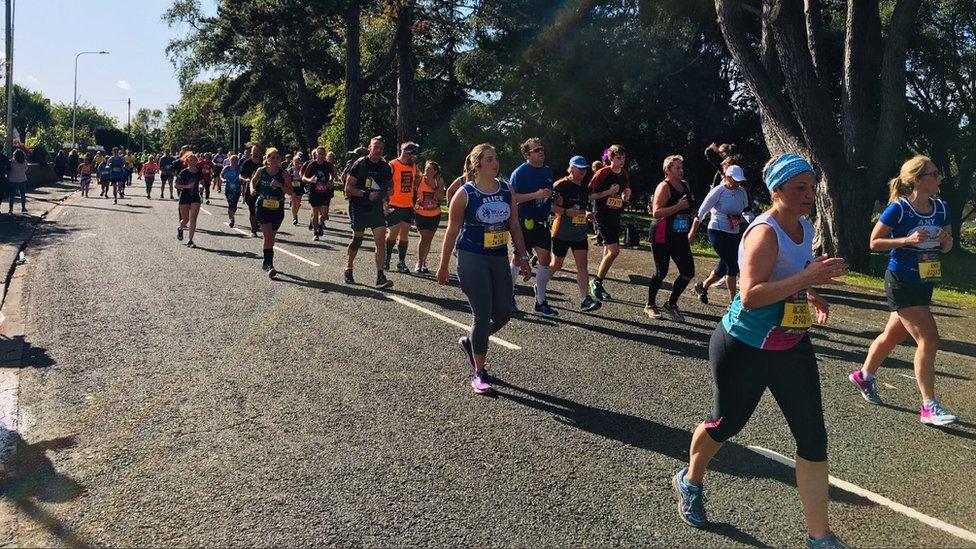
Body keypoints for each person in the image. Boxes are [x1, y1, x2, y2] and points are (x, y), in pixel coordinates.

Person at [673, 153, 849, 549]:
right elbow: (750, 295)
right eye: (800, 187)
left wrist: (812, 291)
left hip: (791, 345)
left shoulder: (803, 226)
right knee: (725, 424)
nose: (809, 194)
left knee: (813, 438)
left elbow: (790, 275)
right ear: (777, 191)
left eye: (811, 186)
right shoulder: (763, 232)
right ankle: (690, 479)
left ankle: (820, 537)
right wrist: (807, 276)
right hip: (743, 346)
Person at [849, 155, 957, 425]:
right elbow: (874, 242)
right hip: (900, 280)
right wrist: (906, 239)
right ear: (918, 179)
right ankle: (928, 406)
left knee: (891, 335)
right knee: (929, 339)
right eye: (934, 174)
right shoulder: (899, 209)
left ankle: (864, 376)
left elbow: (948, 247)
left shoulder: (941, 208)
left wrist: (945, 241)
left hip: (925, 282)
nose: (939, 178)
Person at [437, 143, 530, 395]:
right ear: (477, 165)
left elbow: (514, 225)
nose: (495, 163)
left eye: (496, 158)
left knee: (503, 313)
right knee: (482, 312)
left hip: (498, 257)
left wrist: (523, 257)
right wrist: (443, 264)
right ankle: (479, 372)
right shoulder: (465, 193)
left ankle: (472, 341)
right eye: (489, 159)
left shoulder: (506, 191)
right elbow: (452, 230)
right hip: (471, 257)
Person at [689, 164, 750, 305]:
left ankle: (702, 286)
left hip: (733, 232)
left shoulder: (742, 192)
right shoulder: (718, 191)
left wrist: (754, 223)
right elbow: (701, 212)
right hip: (717, 231)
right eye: (735, 180)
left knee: (723, 268)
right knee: (732, 265)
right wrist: (692, 232)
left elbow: (747, 211)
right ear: (727, 177)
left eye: (740, 181)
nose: (738, 183)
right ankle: (733, 302)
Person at [509, 137, 557, 316]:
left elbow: (548, 193)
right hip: (523, 223)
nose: (541, 152)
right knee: (517, 259)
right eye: (537, 150)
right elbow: (513, 198)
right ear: (527, 154)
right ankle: (508, 296)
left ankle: (541, 300)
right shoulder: (520, 173)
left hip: (542, 223)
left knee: (545, 260)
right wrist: (535, 194)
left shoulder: (547, 171)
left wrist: (552, 197)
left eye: (542, 148)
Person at [645, 155, 696, 322]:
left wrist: (692, 213)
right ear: (668, 170)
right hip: (662, 234)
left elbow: (689, 207)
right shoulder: (664, 186)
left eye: (682, 167)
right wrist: (678, 207)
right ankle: (650, 304)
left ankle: (671, 303)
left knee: (688, 272)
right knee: (661, 272)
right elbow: (656, 213)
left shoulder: (685, 185)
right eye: (677, 168)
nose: (681, 171)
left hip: (680, 235)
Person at [550, 156, 601, 312]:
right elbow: (549, 207)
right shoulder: (560, 185)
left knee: (582, 266)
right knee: (557, 264)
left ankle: (585, 299)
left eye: (584, 168)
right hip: (562, 233)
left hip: (579, 234)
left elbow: (581, 207)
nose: (582, 171)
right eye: (579, 168)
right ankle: (540, 286)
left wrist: (587, 214)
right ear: (570, 168)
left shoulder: (584, 187)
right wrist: (565, 211)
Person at [343, 137, 394, 288]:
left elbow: (389, 186)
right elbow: (348, 188)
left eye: (381, 148)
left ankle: (380, 277)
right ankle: (348, 267)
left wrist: (389, 192)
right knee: (357, 240)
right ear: (370, 147)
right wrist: (365, 195)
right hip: (359, 207)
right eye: (375, 147)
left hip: (376, 208)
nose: (378, 150)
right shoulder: (360, 164)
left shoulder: (385, 167)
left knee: (380, 241)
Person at [588, 144, 631, 300]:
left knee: (608, 251)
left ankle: (600, 284)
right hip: (602, 215)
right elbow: (590, 196)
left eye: (624, 157)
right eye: (618, 157)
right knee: (614, 251)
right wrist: (608, 192)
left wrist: (626, 194)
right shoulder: (602, 173)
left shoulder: (624, 174)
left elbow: (624, 195)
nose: (622, 161)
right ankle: (596, 281)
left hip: (615, 214)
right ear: (611, 158)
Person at [249, 147, 293, 278]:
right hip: (262, 207)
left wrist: (280, 185)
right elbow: (253, 181)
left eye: (277, 157)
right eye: (271, 157)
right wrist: (252, 189)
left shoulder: (283, 173)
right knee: (267, 236)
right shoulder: (261, 171)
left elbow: (290, 192)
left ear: (280, 159)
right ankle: (269, 265)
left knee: (271, 238)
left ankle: (265, 261)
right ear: (267, 159)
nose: (274, 160)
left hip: (277, 208)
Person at [384, 142, 421, 273]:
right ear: (407, 153)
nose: (415, 158)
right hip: (394, 204)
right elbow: (385, 181)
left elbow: (418, 178)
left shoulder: (414, 166)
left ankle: (401, 262)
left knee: (404, 233)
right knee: (393, 233)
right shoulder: (392, 165)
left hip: (408, 205)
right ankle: (386, 258)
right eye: (413, 155)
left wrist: (418, 181)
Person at [413, 160, 444, 273]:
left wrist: (434, 187)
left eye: (430, 169)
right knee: (424, 237)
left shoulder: (439, 181)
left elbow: (441, 197)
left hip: (435, 213)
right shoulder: (419, 179)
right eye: (426, 168)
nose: (427, 171)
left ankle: (424, 261)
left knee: (429, 239)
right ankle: (420, 262)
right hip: (421, 212)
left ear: (435, 171)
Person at [302, 147, 334, 241]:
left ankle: (320, 224)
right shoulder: (312, 164)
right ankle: (316, 233)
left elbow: (333, 175)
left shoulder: (328, 165)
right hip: (314, 191)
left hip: (325, 191)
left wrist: (330, 181)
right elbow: (304, 177)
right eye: (319, 154)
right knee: (315, 212)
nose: (320, 156)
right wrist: (310, 180)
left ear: (325, 155)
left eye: (322, 154)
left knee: (324, 214)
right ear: (316, 154)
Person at [175, 154, 204, 248]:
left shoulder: (199, 172)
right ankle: (180, 228)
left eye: (194, 161)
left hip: (195, 196)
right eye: (190, 161)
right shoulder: (184, 172)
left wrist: (201, 186)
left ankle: (190, 240)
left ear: (197, 161)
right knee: (185, 219)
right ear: (187, 162)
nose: (192, 162)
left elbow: (202, 182)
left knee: (193, 219)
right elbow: (176, 185)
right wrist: (187, 186)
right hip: (184, 196)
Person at [239, 145, 264, 237]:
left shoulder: (263, 163)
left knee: (261, 209)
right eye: (254, 150)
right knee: (252, 210)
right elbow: (240, 175)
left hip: (262, 189)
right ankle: (253, 230)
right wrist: (245, 180)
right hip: (250, 189)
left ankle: (258, 223)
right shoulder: (247, 163)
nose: (256, 152)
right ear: (251, 152)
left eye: (257, 150)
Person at [220, 155, 242, 227]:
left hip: (237, 189)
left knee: (234, 205)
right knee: (230, 204)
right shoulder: (227, 168)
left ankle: (232, 215)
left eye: (236, 160)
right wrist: (223, 179)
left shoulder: (240, 168)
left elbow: (243, 176)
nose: (234, 161)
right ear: (230, 160)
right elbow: (221, 175)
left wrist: (242, 179)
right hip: (228, 189)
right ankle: (231, 219)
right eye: (232, 160)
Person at [8, 149, 28, 214]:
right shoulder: (24, 161)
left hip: (13, 179)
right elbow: (26, 169)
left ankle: (11, 209)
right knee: (23, 194)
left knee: (12, 195)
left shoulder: (11, 162)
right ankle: (23, 208)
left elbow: (9, 170)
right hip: (22, 179)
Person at [288, 155, 305, 226]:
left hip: (300, 187)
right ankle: (295, 217)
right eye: (295, 162)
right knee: (294, 203)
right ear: (293, 162)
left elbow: (304, 177)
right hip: (292, 188)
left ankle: (295, 213)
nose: (297, 163)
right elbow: (287, 179)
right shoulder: (290, 170)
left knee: (297, 203)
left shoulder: (302, 169)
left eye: (298, 162)